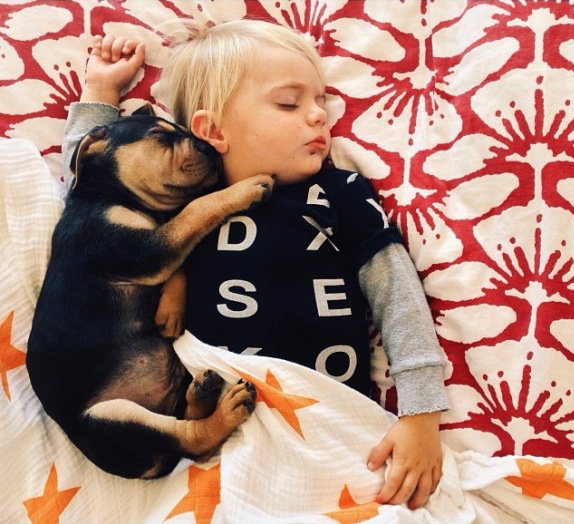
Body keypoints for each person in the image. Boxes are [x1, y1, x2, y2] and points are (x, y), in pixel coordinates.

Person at [62, 20, 449, 510]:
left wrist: (421, 412)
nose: (319, 116)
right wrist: (101, 90)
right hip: (219, 432)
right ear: (212, 131)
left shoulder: (339, 194)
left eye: (322, 101)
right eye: (289, 103)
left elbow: (396, 292)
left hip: (329, 425)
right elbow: (91, 182)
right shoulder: (180, 207)